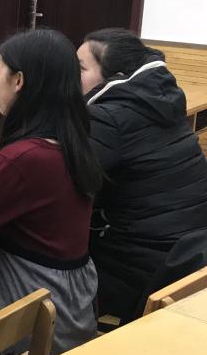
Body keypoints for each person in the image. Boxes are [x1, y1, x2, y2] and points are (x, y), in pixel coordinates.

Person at [0, 28, 102, 354]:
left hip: (33, 321)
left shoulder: (25, 159)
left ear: (18, 81)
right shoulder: (74, 144)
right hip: (74, 310)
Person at [77, 28, 207, 322]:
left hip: (136, 272)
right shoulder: (164, 103)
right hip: (185, 257)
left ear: (114, 78)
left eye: (81, 69)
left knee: (41, 257)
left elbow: (68, 187)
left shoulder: (107, 117)